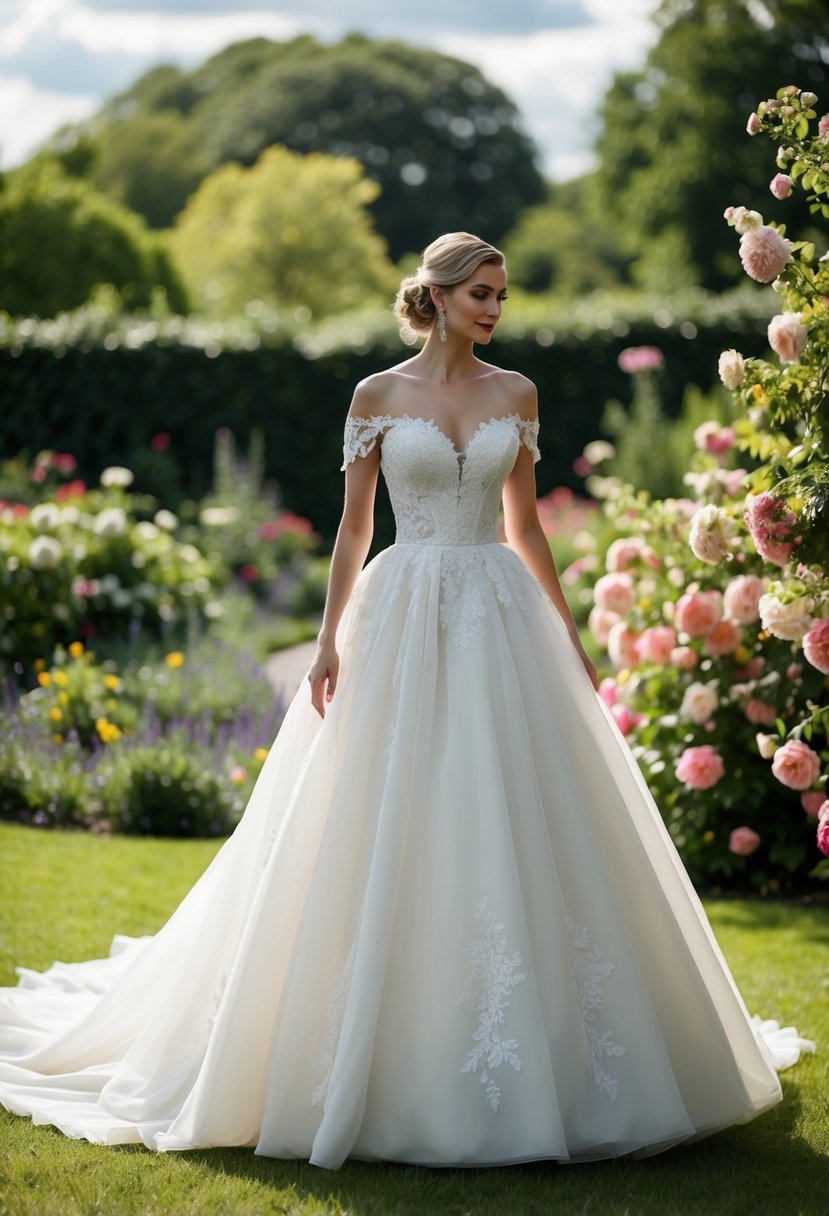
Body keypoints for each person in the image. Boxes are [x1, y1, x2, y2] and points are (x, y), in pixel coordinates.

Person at [0, 233, 813, 1170]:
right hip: (399, 614)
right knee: (378, 809)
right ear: (436, 293)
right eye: (480, 291)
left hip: (497, 612)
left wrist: (570, 633)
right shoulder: (376, 397)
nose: (494, 308)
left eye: (502, 295)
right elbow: (351, 530)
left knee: (506, 808)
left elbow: (526, 525)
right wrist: (321, 640)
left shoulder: (517, 394)